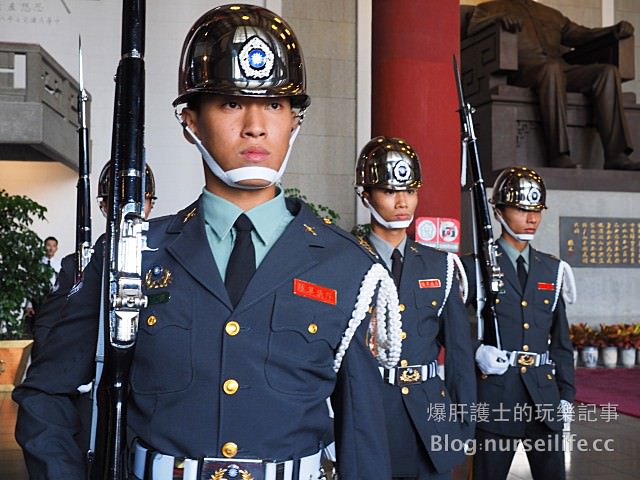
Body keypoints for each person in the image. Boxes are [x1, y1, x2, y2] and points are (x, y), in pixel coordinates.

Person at [13, 5, 393, 479]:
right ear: (191, 119)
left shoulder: (347, 268)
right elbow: (46, 393)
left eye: (274, 105)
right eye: (231, 103)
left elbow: (364, 440)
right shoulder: (130, 254)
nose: (255, 125)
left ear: (295, 121)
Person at [354, 136, 476, 479]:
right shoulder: (346, 261)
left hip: (431, 419)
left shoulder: (440, 266)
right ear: (366, 195)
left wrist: (463, 426)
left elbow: (459, 356)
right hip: (371, 417)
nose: (403, 201)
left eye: (410, 190)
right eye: (390, 191)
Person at [461, 166, 576, 480]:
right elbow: (450, 330)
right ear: (498, 212)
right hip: (497, 399)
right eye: (522, 209)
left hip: (544, 399)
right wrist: (476, 351)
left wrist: (566, 396)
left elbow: (562, 343)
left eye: (536, 210)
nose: (532, 218)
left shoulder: (552, 269)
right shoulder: (474, 267)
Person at [467, 0, 639, 170]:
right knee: (551, 70)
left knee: (607, 72)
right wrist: (497, 19)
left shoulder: (551, 14)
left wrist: (614, 30)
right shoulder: (490, 7)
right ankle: (559, 154)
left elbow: (582, 35)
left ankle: (616, 156)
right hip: (523, 70)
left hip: (560, 69)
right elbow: (473, 27)